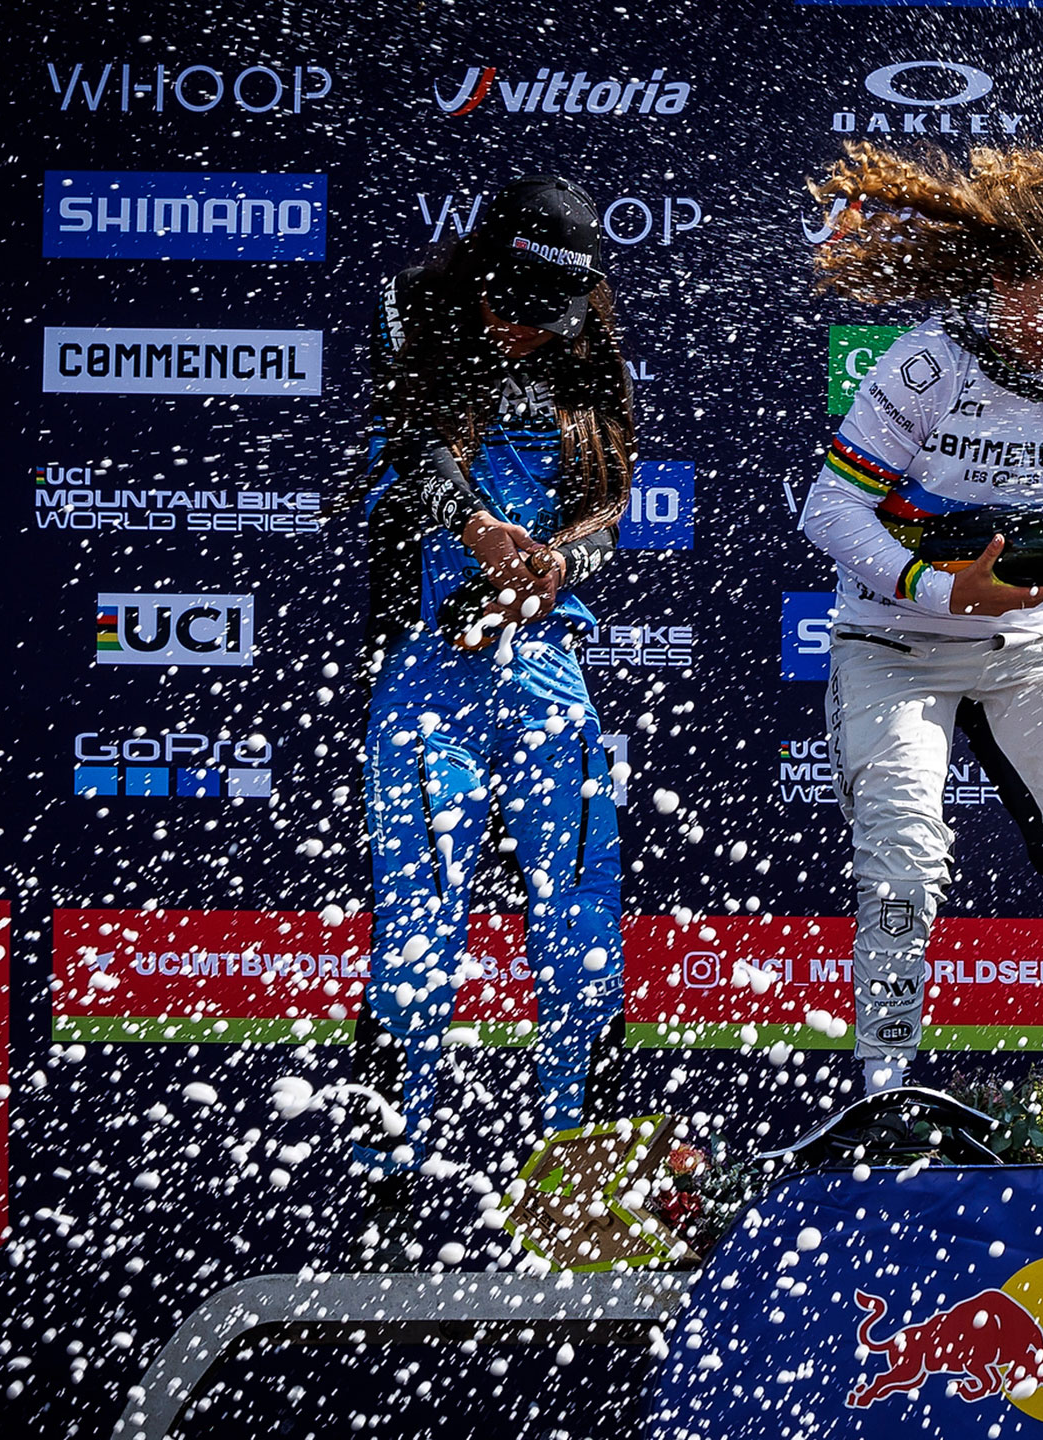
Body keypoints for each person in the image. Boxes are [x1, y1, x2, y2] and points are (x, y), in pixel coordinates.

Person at [797, 142, 1043, 1107]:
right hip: (895, 644)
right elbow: (829, 512)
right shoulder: (928, 360)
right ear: (1005, 280)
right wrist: (940, 588)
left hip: (1032, 646)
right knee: (903, 872)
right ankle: (882, 1103)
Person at [339, 176, 638, 1261]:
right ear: (484, 279)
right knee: (416, 945)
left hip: (546, 670)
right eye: (512, 313)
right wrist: (475, 529)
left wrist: (561, 563)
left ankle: (586, 1205)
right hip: (428, 675)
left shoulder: (587, 340)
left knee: (581, 942)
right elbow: (402, 453)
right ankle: (381, 1210)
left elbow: (610, 505)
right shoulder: (417, 303)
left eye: (542, 321)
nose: (524, 335)